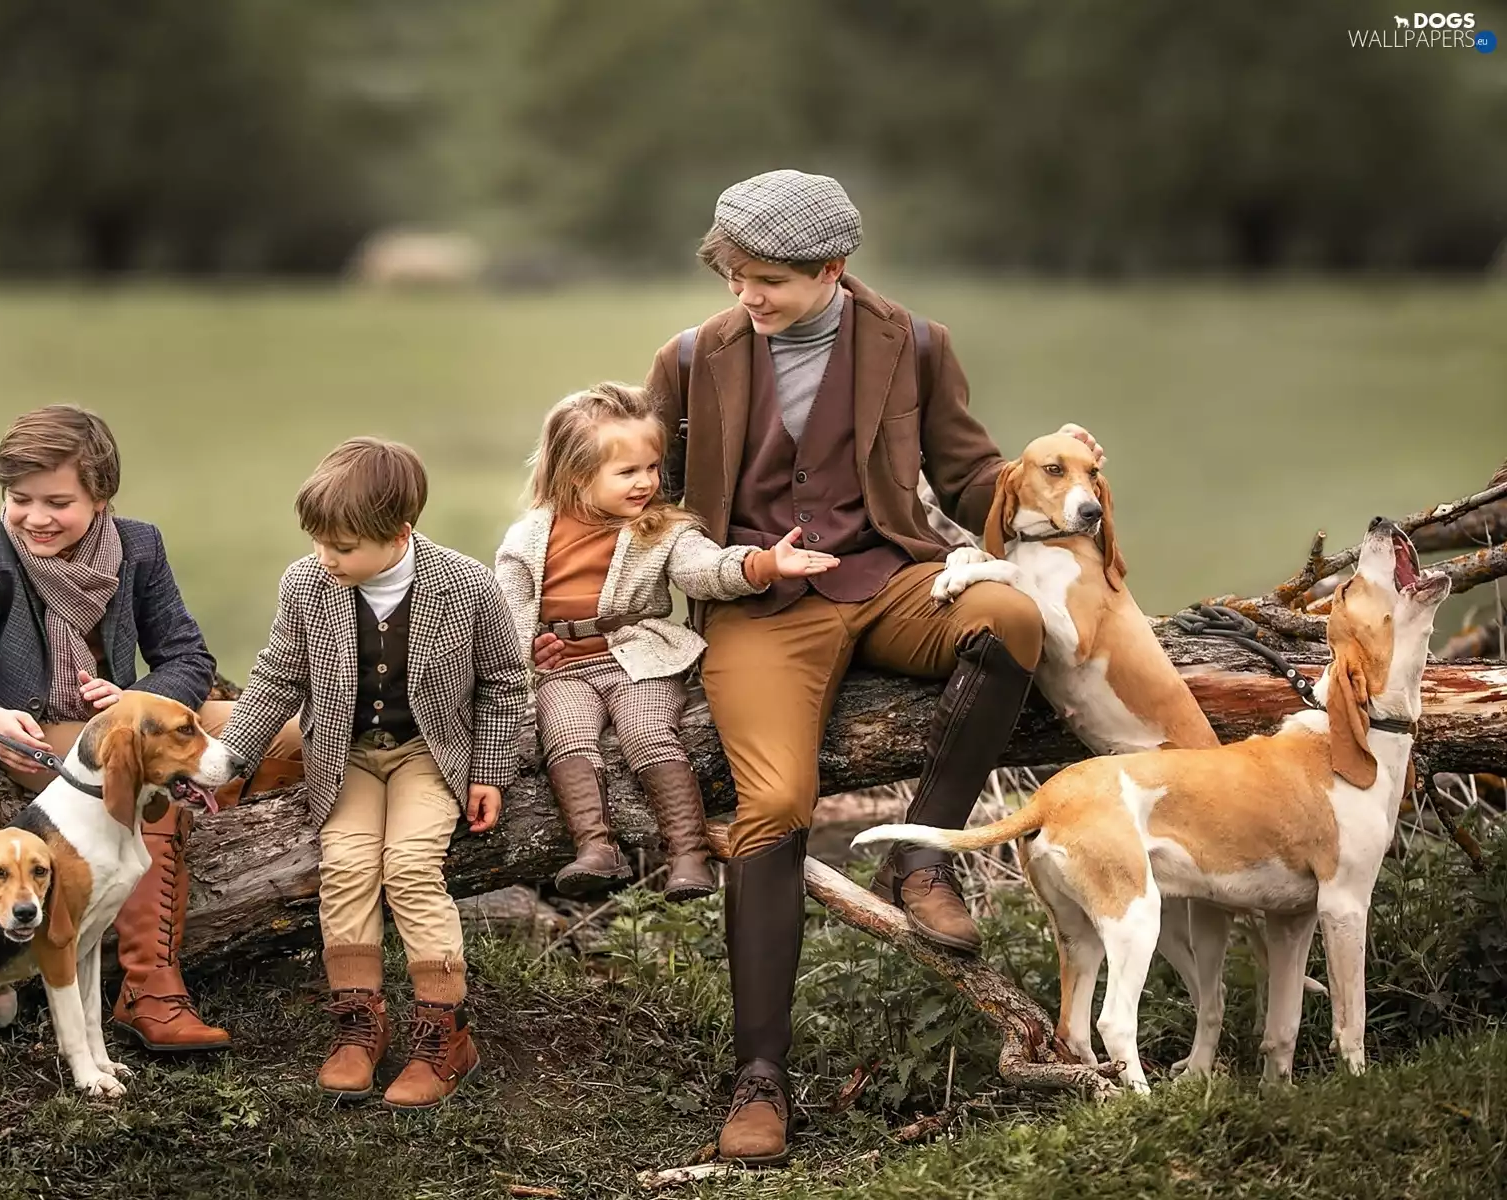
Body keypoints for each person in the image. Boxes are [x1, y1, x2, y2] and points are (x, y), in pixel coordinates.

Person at [629, 170, 1103, 1163]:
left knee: (1009, 618)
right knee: (778, 802)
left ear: (832, 270)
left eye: (766, 281)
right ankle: (760, 1081)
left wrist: (1053, 485)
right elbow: (645, 499)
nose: (743, 298)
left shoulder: (916, 344)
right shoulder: (687, 359)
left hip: (891, 579)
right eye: (733, 276)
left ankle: (920, 856)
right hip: (758, 607)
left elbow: (971, 474)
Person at [0, 404, 304, 1051]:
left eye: (56, 501)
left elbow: (189, 657)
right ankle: (149, 988)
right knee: (137, 777)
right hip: (41, 735)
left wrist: (135, 700)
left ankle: (210, 812)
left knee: (286, 734)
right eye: (19, 499)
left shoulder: (139, 547)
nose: (35, 517)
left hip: (130, 717)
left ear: (100, 495)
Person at [217, 437, 529, 1108]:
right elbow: (278, 675)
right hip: (346, 754)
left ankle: (445, 1034)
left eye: (343, 546)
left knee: (412, 866)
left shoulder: (465, 585)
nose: (326, 559)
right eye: (320, 543)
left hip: (427, 752)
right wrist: (229, 758)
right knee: (350, 865)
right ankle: (359, 1025)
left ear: (399, 534)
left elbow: (505, 683)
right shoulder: (306, 584)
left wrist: (490, 772)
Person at [494, 382, 836, 901]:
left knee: (649, 733)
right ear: (575, 474)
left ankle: (688, 854)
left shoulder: (663, 530)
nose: (646, 483)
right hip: (561, 669)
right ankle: (596, 849)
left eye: (652, 468)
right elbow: (510, 612)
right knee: (566, 737)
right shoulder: (528, 538)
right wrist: (527, 652)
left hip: (639, 660)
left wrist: (762, 563)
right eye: (627, 472)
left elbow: (704, 570)